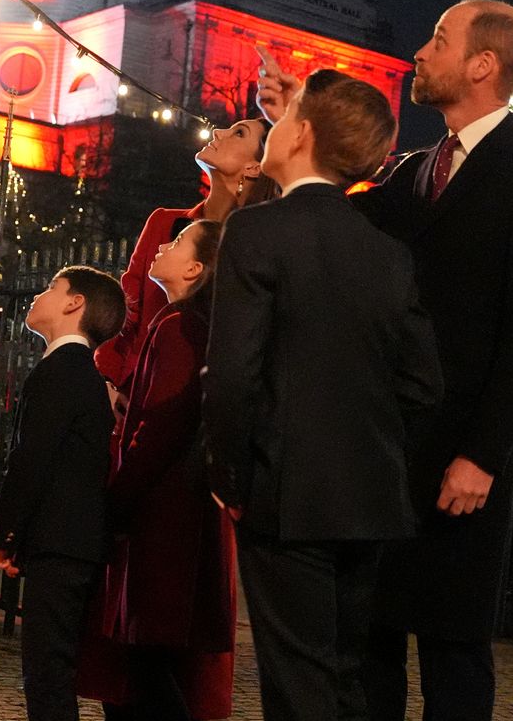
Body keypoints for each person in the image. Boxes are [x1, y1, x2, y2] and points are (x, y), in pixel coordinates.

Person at [257, 0, 513, 720]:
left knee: (454, 651)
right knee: (371, 644)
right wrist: (296, 127)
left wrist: (484, 453)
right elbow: (331, 216)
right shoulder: (413, 171)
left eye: (439, 39)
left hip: (463, 464)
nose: (420, 51)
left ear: (482, 64)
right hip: (387, 456)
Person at [203, 68, 444, 721]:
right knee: (344, 676)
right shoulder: (388, 253)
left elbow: (231, 376)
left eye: (283, 119)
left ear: (302, 133)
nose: (271, 129)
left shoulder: (258, 232)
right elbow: (424, 383)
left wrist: (230, 476)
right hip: (370, 496)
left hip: (285, 493)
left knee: (298, 683)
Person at [79, 220, 236, 721]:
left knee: (148, 670)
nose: (162, 246)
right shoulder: (181, 323)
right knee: (146, 667)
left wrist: (118, 495)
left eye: (177, 242)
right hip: (172, 514)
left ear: (194, 268)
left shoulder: (179, 327)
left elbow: (159, 423)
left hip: (163, 520)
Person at [0, 266, 127, 721]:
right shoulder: (78, 373)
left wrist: (6, 534)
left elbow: (31, 460)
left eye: (51, 288)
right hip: (73, 543)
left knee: (48, 673)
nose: (39, 296)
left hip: (61, 542)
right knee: (53, 670)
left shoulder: (61, 371)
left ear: (74, 303)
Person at [95, 118, 278, 413]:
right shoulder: (165, 223)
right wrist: (107, 380)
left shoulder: (257, 244)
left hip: (207, 404)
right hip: (135, 396)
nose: (218, 131)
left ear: (255, 167)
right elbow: (127, 309)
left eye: (238, 133)